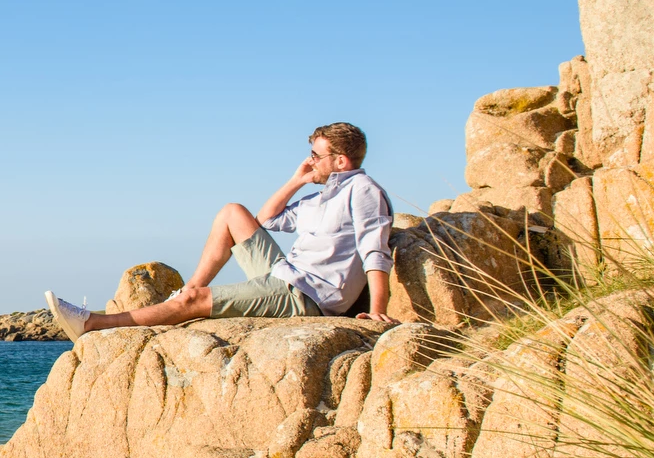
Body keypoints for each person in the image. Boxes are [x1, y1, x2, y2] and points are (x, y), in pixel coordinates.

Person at [45, 122, 395, 340]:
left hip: (306, 295)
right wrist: (297, 179)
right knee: (232, 212)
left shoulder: (363, 191)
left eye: (316, 156)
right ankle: (191, 290)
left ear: (341, 161)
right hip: (287, 274)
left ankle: (94, 324)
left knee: (194, 304)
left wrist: (377, 309)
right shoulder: (321, 197)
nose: (310, 160)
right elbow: (268, 218)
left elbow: (374, 251)